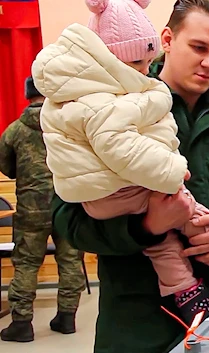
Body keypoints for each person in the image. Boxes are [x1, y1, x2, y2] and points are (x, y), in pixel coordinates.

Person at [37, 0, 209, 352]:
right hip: (136, 325)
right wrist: (144, 227)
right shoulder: (104, 104)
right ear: (167, 39)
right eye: (199, 47)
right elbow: (66, 220)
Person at [0, 77, 85, 342]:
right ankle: (67, 317)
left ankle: (22, 323)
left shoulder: (14, 130)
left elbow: (6, 166)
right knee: (70, 261)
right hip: (68, 205)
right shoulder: (68, 126)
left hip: (31, 209)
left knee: (26, 263)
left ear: (27, 96)